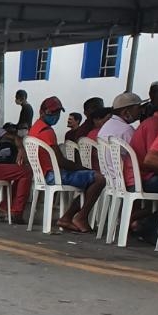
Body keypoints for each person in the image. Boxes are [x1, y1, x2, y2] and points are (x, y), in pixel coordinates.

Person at [28, 96, 105, 233]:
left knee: (88, 179)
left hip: (42, 174)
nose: (55, 116)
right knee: (99, 179)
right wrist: (81, 168)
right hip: (52, 175)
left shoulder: (34, 128)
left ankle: (69, 217)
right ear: (42, 112)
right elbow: (60, 161)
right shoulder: (47, 132)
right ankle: (79, 217)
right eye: (52, 112)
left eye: (57, 113)